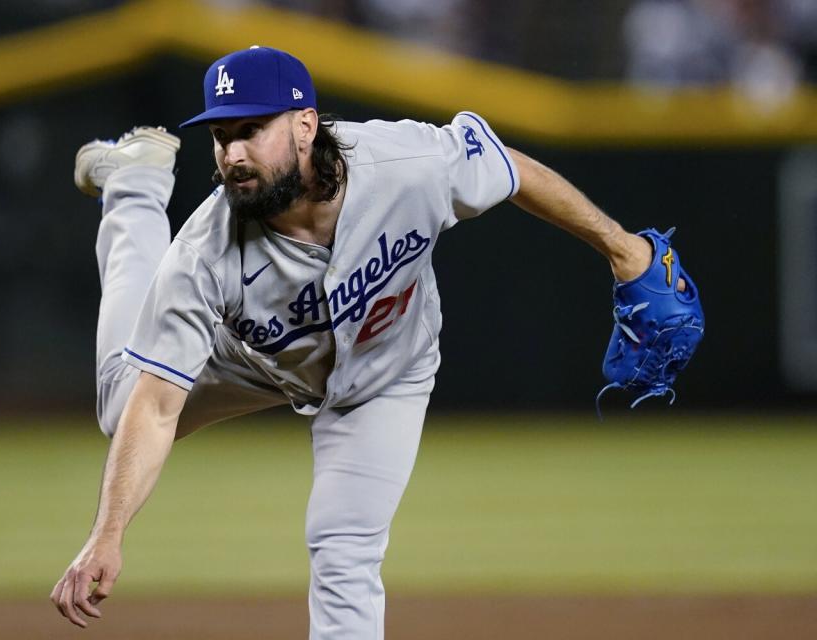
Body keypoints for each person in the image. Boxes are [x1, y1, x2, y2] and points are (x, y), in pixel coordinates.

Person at [50, 45, 659, 639]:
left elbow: (511, 169)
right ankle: (134, 186)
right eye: (221, 135)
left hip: (385, 374)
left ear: (306, 125)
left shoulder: (407, 163)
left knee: (345, 548)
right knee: (120, 405)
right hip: (249, 361)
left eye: (252, 129)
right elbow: (156, 408)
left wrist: (625, 249)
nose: (233, 153)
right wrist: (108, 533)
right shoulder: (204, 254)